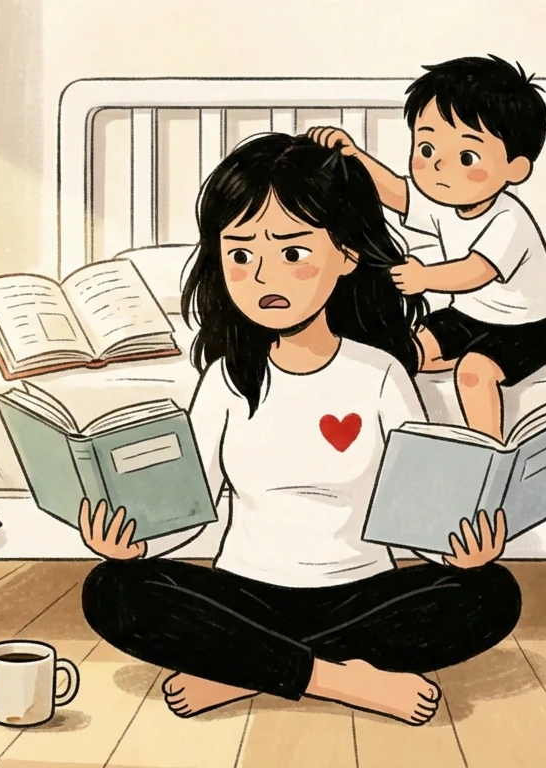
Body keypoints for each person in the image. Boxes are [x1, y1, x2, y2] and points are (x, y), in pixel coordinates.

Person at [78, 133, 521, 726]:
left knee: (490, 594)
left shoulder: (380, 373)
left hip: (361, 593)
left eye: (292, 253)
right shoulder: (226, 379)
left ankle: (244, 669)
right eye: (240, 254)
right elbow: (190, 509)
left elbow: (417, 517)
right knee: (112, 589)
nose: (265, 277)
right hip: (245, 595)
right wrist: (133, 545)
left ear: (346, 253)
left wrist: (460, 552)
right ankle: (335, 678)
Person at [308, 55, 546, 442]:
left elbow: (475, 271)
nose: (439, 167)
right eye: (427, 149)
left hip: (527, 329)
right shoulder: (447, 202)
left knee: (473, 372)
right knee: (402, 353)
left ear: (515, 169)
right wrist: (354, 156)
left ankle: (488, 454)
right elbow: (396, 191)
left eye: (466, 157)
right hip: (470, 315)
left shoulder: (509, 220)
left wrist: (424, 278)